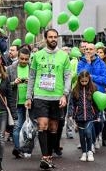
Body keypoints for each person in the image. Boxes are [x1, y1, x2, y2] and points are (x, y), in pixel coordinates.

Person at [25, 29, 71, 170]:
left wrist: (64, 94)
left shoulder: (64, 56)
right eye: (50, 37)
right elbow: (31, 77)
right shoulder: (37, 55)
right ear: (45, 39)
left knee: (53, 128)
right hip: (40, 96)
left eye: (55, 37)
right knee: (42, 125)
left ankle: (49, 155)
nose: (53, 39)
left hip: (57, 97)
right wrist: (28, 96)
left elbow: (67, 76)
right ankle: (44, 157)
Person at [76, 43, 106, 149]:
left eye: (91, 49)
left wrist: (91, 77)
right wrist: (88, 64)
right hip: (85, 96)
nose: (88, 51)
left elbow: (105, 79)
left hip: (98, 96)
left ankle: (94, 138)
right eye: (86, 49)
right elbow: (81, 77)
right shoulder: (81, 62)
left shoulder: (101, 63)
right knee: (88, 120)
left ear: (95, 51)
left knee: (100, 121)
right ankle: (91, 141)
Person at [68, 71, 98, 162]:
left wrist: (98, 114)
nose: (84, 83)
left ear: (89, 80)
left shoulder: (93, 89)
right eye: (82, 81)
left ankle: (90, 152)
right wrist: (71, 114)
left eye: (86, 81)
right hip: (79, 116)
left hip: (90, 116)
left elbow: (97, 102)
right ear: (79, 80)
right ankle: (84, 152)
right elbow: (72, 104)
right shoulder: (75, 90)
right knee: (81, 136)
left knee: (88, 133)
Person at [8, 47, 31, 158]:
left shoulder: (33, 68)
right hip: (17, 103)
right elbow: (5, 86)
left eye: (26, 59)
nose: (24, 61)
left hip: (31, 103)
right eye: (22, 58)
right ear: (18, 57)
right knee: (17, 127)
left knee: (32, 128)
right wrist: (14, 83)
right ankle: (17, 149)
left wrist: (30, 82)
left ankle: (27, 149)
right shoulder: (10, 69)